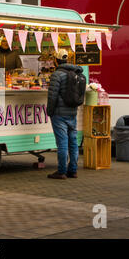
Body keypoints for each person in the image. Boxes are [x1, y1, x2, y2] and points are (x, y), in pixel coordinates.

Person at [46, 49, 83, 179]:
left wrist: (49, 111)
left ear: (56, 60)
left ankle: (61, 171)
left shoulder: (57, 75)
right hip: (72, 112)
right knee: (73, 142)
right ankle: (73, 170)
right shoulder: (75, 72)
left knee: (62, 143)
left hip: (59, 114)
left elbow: (52, 96)